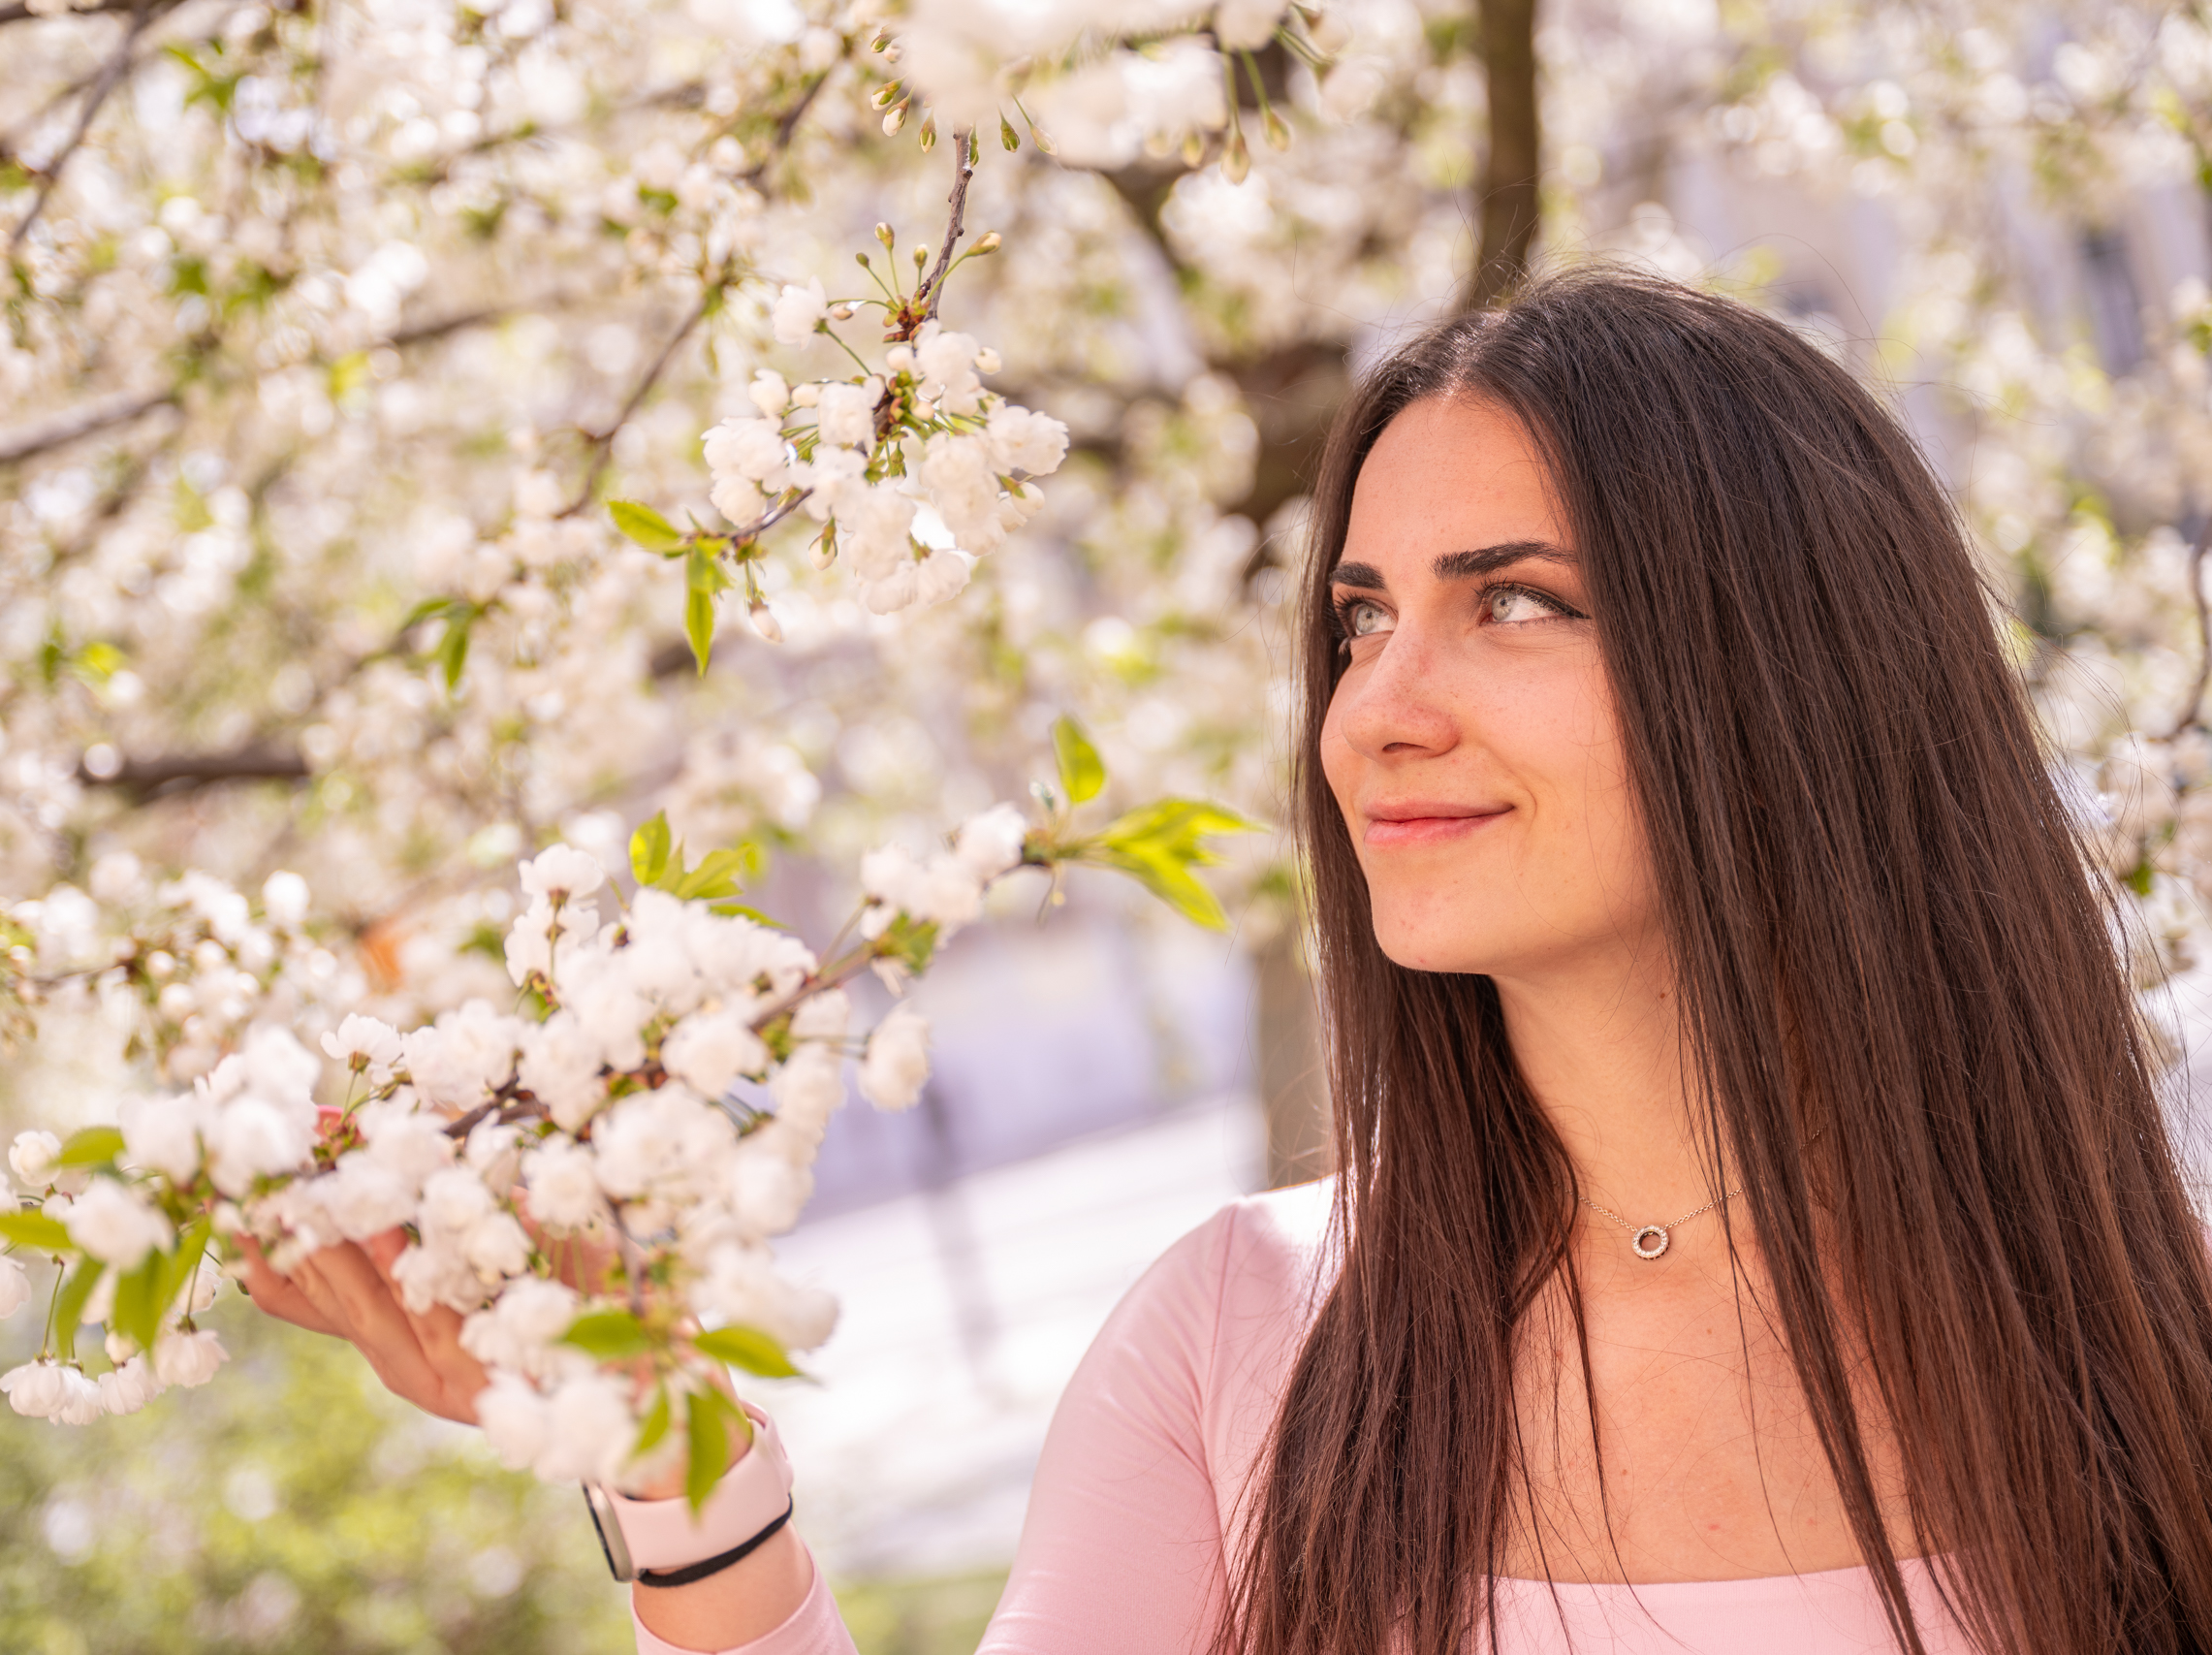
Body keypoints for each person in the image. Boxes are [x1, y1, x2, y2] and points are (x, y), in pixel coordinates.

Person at [242, 270, 2212, 1654]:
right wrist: (675, 1454)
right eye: (1356, 623)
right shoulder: (1242, 1344)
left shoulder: (2135, 1321)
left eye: (1509, 604)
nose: (1378, 710)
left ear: (1785, 672)